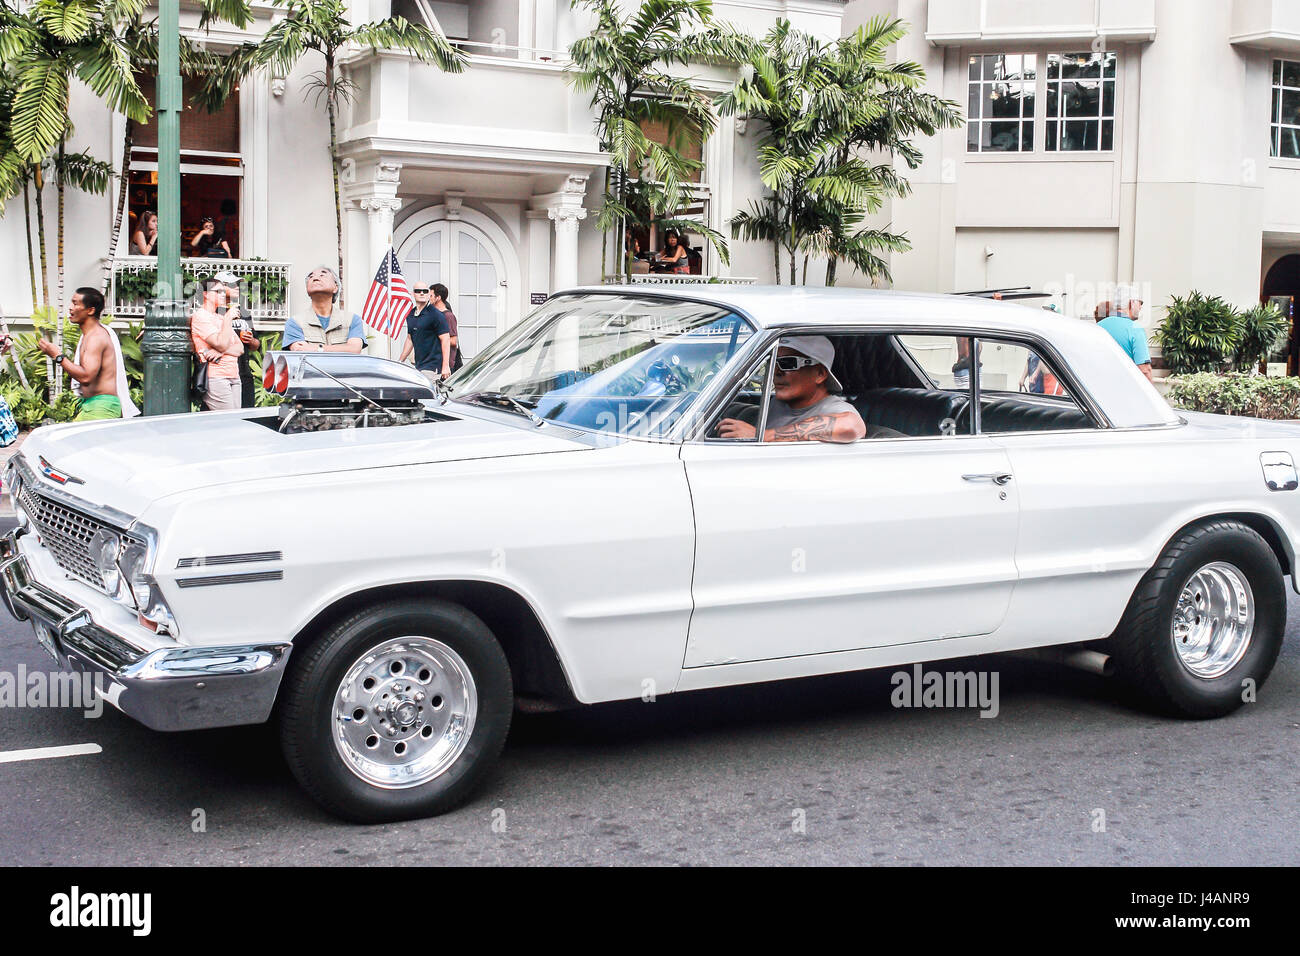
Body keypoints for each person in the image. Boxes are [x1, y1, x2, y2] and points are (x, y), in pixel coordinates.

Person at [716, 336, 866, 443]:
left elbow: (852, 426)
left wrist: (762, 435)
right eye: (774, 362)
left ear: (820, 374)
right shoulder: (779, 404)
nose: (776, 371)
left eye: (788, 363)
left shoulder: (833, 407)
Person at [36, 287, 139, 420]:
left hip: (102, 407)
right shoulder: (89, 335)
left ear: (90, 310)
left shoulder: (96, 337)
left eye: (75, 303)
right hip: (93, 405)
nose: (70, 308)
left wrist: (57, 356)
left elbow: (86, 377)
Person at [189, 276, 244, 410]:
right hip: (215, 376)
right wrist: (228, 319)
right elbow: (221, 343)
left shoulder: (220, 317)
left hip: (234, 375)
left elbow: (240, 348)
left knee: (236, 421)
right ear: (206, 294)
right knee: (230, 422)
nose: (223, 295)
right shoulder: (201, 316)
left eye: (223, 291)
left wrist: (222, 351)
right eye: (218, 291)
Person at [283, 266, 366, 353]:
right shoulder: (295, 322)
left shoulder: (352, 320)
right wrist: (342, 349)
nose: (315, 278)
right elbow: (300, 351)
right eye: (311, 277)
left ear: (335, 287)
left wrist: (317, 348)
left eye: (322, 275)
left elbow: (354, 349)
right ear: (307, 290)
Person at [218, 270, 260, 408]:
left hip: (243, 373)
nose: (237, 287)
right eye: (232, 284)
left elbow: (256, 345)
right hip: (221, 373)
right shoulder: (213, 311)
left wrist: (251, 341)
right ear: (220, 287)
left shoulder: (243, 311)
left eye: (237, 283)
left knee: (246, 414)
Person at [1098, 285, 1154, 382]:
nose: (1140, 307)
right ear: (1132, 302)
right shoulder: (1135, 329)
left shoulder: (1097, 327)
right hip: (1125, 390)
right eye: (1140, 303)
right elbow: (1145, 370)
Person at [398, 282, 451, 384]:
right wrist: (400, 361)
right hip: (418, 366)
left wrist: (445, 366)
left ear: (428, 294)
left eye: (425, 291)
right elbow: (410, 339)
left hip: (433, 367)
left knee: (427, 396)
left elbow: (445, 338)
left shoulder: (436, 314)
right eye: (418, 291)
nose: (422, 293)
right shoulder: (411, 315)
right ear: (413, 294)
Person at [431, 283, 462, 372]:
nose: (428, 298)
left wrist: (435, 339)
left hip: (445, 366)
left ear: (438, 297)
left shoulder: (448, 316)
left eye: (431, 295)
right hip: (434, 363)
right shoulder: (432, 315)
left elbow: (453, 341)